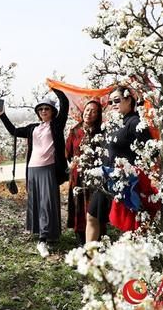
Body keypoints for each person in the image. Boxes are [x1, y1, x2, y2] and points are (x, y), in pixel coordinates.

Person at [0, 88, 69, 258]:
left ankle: (43, 239)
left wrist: (56, 88)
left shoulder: (57, 125)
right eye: (41, 109)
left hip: (48, 168)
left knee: (48, 202)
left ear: (53, 112)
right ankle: (45, 234)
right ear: (38, 113)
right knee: (36, 202)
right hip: (32, 169)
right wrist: (2, 115)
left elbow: (65, 104)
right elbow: (13, 131)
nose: (43, 111)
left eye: (47, 109)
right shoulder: (32, 128)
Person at [85, 85, 152, 242]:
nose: (113, 104)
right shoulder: (114, 122)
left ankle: (130, 260)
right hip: (106, 178)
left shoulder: (135, 122)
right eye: (110, 102)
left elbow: (151, 151)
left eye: (117, 100)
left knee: (127, 225)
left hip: (125, 182)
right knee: (92, 216)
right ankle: (89, 258)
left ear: (129, 100)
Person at [65, 100, 103, 246]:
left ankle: (96, 240)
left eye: (94, 111)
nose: (89, 113)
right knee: (78, 208)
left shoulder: (101, 131)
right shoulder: (75, 130)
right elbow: (67, 152)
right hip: (77, 176)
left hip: (95, 177)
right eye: (87, 110)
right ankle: (81, 241)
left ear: (98, 115)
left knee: (93, 209)